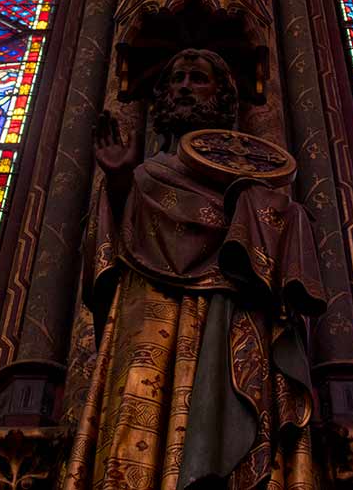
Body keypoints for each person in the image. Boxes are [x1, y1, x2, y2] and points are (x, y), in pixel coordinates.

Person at [61, 49, 325, 490]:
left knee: (224, 410)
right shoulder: (147, 173)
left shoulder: (250, 175)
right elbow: (112, 253)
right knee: (132, 413)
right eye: (177, 79)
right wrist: (121, 180)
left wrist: (256, 206)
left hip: (229, 304)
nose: (184, 87)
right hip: (147, 305)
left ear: (221, 96)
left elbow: (283, 234)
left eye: (197, 79)